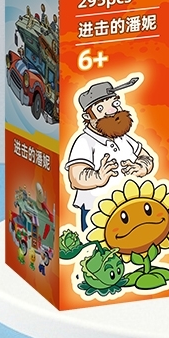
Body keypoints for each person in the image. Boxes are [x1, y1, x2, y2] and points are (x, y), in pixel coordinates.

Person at [64, 76, 154, 230]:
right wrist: (98, 177)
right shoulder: (84, 141)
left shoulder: (124, 138)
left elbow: (146, 156)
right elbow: (76, 177)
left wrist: (141, 166)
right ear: (87, 117)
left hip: (130, 205)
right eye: (100, 108)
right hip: (96, 210)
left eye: (115, 104)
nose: (112, 111)